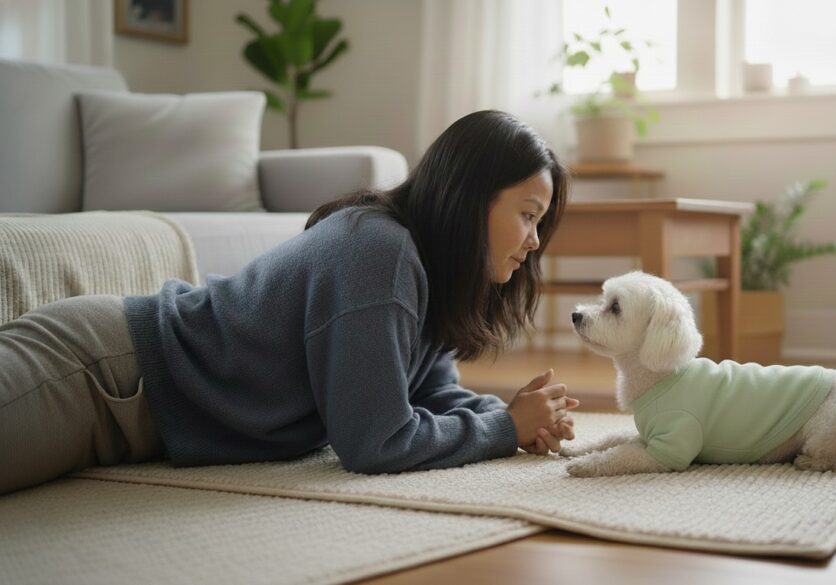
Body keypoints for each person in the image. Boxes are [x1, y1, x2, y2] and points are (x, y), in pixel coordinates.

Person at [0, 110, 579, 495]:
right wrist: (503, 429)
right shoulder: (378, 249)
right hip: (99, 372)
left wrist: (503, 416)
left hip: (132, 407)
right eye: (527, 214)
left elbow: (429, 392)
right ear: (470, 199)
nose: (533, 241)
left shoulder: (426, 268)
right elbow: (374, 441)